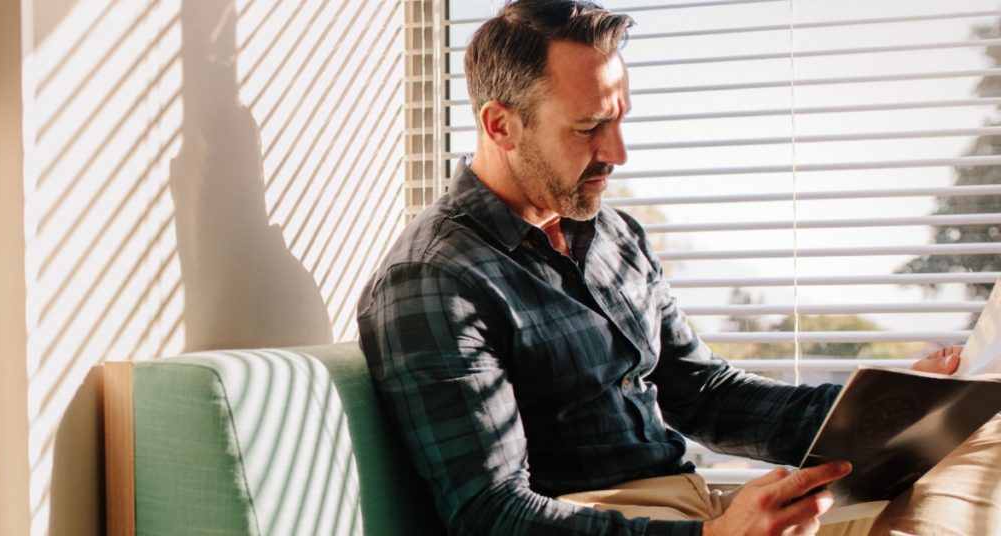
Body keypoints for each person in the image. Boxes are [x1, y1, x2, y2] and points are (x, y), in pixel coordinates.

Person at [356, 1, 1000, 534]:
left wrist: (890, 406)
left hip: (696, 509)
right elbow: (490, 514)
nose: (619, 153)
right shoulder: (435, 279)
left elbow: (705, 395)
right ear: (501, 126)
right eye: (589, 128)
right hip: (620, 520)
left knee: (980, 445)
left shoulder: (609, 231)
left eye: (621, 119)